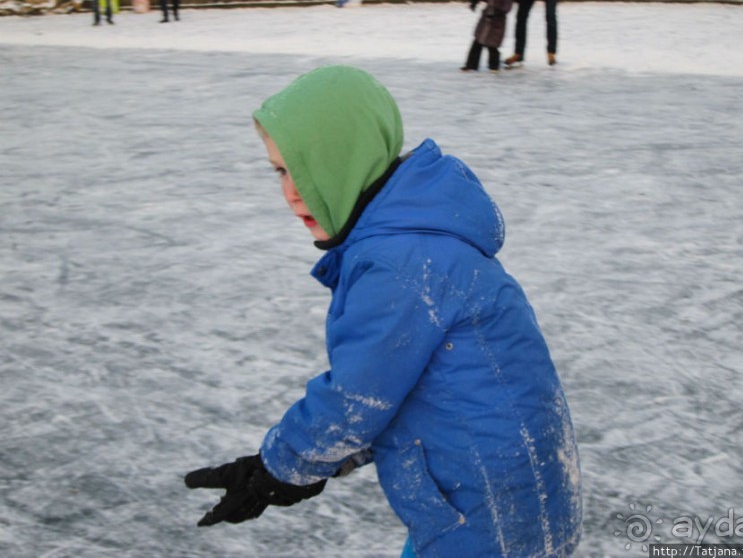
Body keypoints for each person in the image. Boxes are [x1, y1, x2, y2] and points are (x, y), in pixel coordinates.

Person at [184, 65, 582, 558]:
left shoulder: (400, 261)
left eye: (304, 169)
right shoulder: (412, 238)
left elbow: (357, 400)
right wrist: (316, 465)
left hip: (486, 519)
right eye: (280, 171)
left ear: (344, 162)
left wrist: (277, 469)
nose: (289, 192)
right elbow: (411, 393)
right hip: (495, 496)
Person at [462, 0, 515, 73]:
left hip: (497, 25)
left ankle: (493, 67)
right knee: (477, 43)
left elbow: (507, 8)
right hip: (485, 21)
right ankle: (471, 65)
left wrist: (496, 8)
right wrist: (475, 1)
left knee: (492, 47)